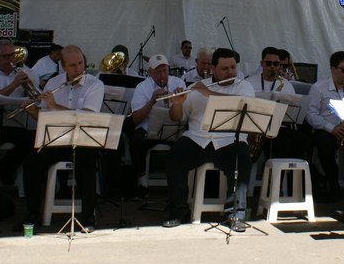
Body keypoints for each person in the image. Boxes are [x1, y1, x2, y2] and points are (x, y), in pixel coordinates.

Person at [162, 48, 255, 231]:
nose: (230, 72)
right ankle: (178, 211)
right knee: (174, 158)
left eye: (233, 67)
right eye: (224, 68)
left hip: (230, 140)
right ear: (213, 68)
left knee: (242, 158)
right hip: (198, 139)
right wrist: (177, 103)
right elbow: (177, 118)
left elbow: (244, 104)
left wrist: (209, 94)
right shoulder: (198, 87)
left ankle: (235, 214)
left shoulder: (243, 86)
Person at [20, 45, 104, 232]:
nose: (78, 69)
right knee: (32, 161)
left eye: (81, 63)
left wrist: (55, 106)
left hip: (83, 139)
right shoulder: (53, 83)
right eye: (73, 65)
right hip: (57, 138)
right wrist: (33, 110)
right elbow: (44, 117)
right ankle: (33, 213)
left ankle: (88, 215)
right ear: (63, 67)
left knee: (87, 162)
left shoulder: (95, 84)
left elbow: (87, 118)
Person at [0, 38, 41, 185]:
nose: (10, 59)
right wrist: (14, 84)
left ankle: (5, 168)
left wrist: (28, 87)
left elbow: (37, 99)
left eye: (12, 55)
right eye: (6, 56)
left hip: (17, 122)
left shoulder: (23, 73)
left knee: (34, 139)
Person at [126, 53, 186, 200]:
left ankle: (179, 186)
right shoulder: (142, 87)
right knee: (136, 142)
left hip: (174, 126)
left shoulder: (179, 83)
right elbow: (135, 118)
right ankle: (142, 184)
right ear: (150, 72)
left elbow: (185, 111)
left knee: (187, 142)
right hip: (149, 127)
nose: (162, 75)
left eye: (165, 70)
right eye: (158, 72)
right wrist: (152, 101)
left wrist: (175, 102)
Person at [306, 51, 344, 202]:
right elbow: (310, 114)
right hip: (327, 129)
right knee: (325, 147)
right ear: (332, 69)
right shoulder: (318, 88)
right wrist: (331, 128)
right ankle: (333, 186)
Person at [246, 46, 309, 159]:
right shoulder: (248, 83)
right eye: (268, 63)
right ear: (262, 63)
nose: (272, 67)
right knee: (283, 142)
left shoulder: (286, 84)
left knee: (304, 140)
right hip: (255, 127)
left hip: (279, 127)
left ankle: (286, 171)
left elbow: (294, 111)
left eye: (276, 64)